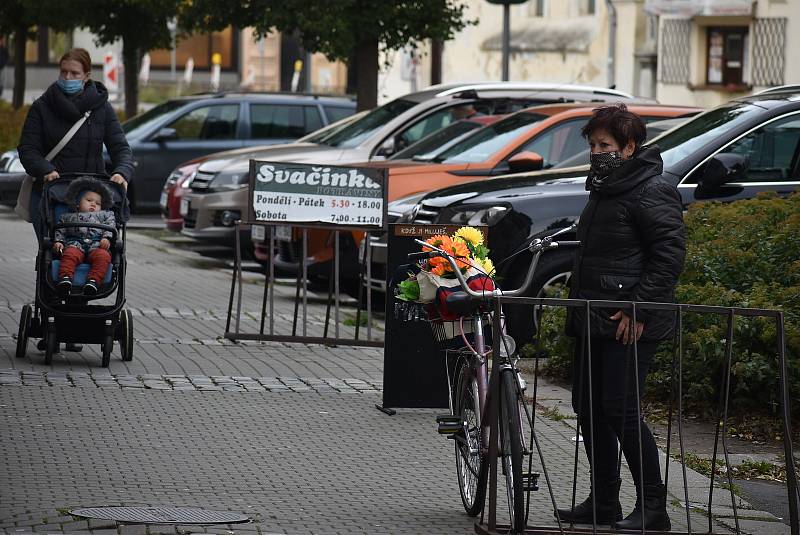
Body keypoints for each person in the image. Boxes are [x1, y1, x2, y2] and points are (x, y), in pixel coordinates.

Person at [556, 103, 685, 531]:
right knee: (589, 408)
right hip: (592, 313)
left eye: (605, 144)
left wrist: (639, 307)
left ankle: (653, 508)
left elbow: (668, 256)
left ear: (630, 146)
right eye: (592, 144)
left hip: (629, 320)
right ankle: (604, 503)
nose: (596, 151)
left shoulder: (652, 188)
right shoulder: (605, 186)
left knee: (621, 409)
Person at [18, 47, 133, 242]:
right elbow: (28, 149)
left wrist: (122, 171)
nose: (67, 77)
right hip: (52, 194)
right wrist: (45, 169)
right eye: (63, 72)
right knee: (54, 253)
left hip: (90, 195)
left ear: (87, 76)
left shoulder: (101, 108)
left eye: (74, 73)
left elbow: (120, 147)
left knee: (95, 254)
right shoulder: (42, 107)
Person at [53, 177, 115, 295]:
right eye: (89, 200)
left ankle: (93, 281)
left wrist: (106, 237)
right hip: (75, 244)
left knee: (104, 256)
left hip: (97, 245)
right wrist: (59, 241)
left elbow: (111, 225)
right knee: (69, 254)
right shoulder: (67, 217)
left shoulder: (105, 215)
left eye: (98, 203)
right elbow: (60, 230)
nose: (93, 204)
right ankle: (66, 278)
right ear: (77, 203)